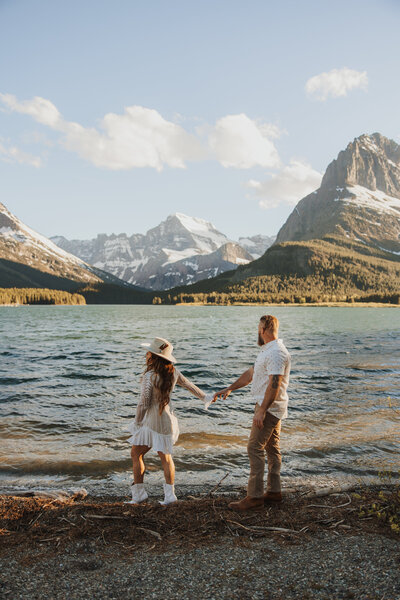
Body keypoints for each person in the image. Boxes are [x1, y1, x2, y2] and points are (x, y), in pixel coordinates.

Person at [214, 315, 291, 511]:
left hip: (269, 407)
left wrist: (262, 410)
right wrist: (230, 388)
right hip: (270, 406)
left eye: (259, 327)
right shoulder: (268, 351)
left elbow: (275, 385)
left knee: (254, 448)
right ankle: (274, 492)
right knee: (272, 448)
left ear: (264, 328)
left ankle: (255, 497)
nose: (257, 331)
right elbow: (250, 374)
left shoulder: (276, 353)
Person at [127, 337, 212, 505]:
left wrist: (136, 423)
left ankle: (139, 494)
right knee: (166, 458)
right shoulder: (173, 372)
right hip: (167, 422)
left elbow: (143, 403)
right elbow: (189, 385)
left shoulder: (150, 376)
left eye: (149, 353)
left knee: (136, 453)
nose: (146, 355)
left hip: (151, 422)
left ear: (154, 356)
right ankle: (169, 496)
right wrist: (206, 397)